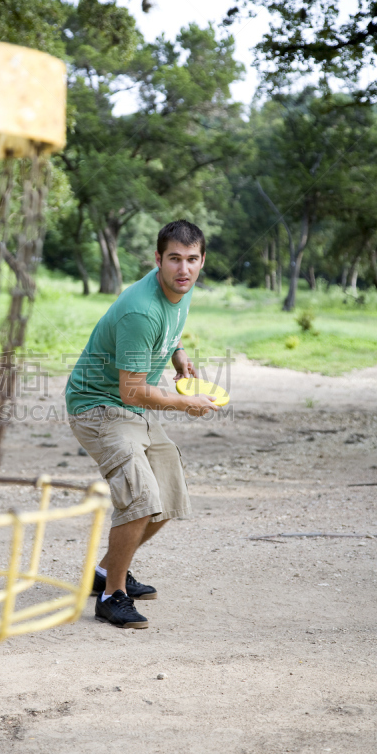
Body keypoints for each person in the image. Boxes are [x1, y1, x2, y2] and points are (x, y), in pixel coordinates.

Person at [66, 220, 218, 629]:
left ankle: (101, 572)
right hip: (97, 406)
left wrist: (179, 356)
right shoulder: (141, 309)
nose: (183, 269)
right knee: (140, 496)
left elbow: (171, 332)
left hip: (129, 408)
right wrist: (186, 404)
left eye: (191, 260)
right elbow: (132, 391)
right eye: (173, 260)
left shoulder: (179, 292)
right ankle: (112, 595)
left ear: (202, 261)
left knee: (166, 495)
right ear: (158, 260)